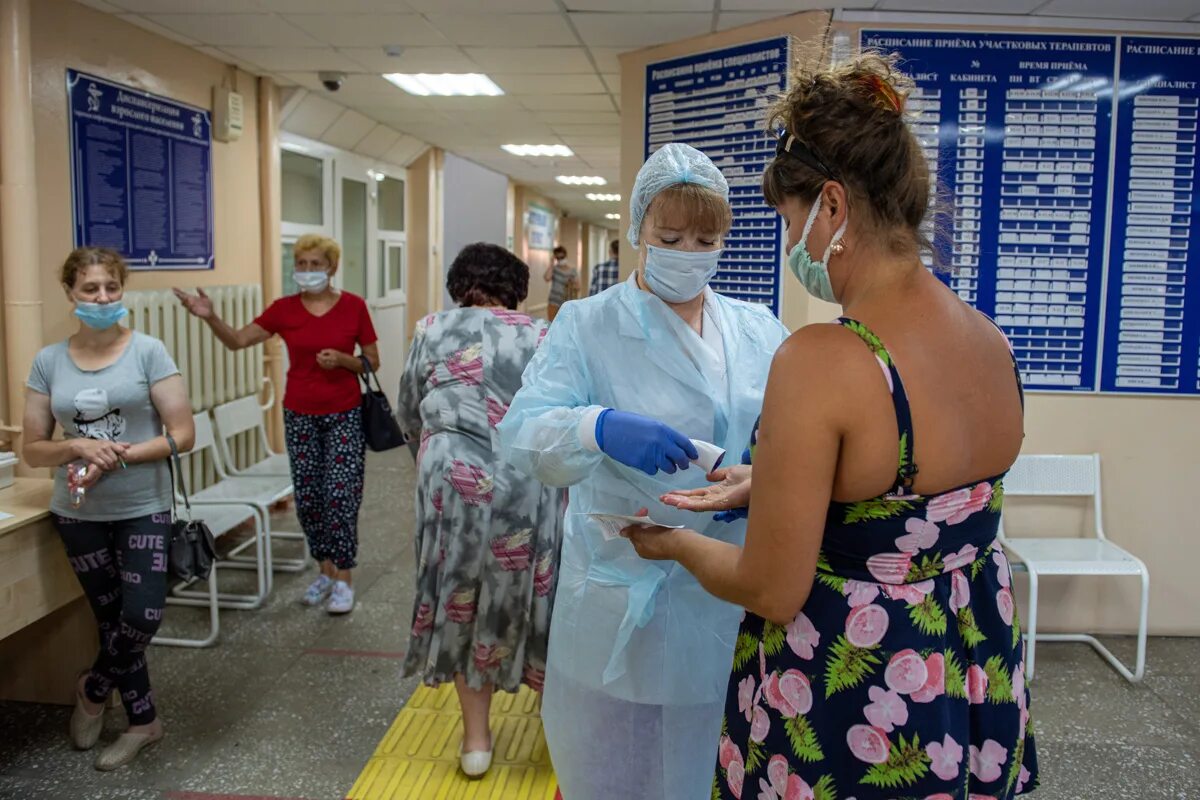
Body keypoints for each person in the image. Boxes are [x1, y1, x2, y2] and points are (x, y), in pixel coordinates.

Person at [623, 53, 1039, 799]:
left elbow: (773, 589)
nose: (792, 245)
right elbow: (908, 508)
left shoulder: (827, 360)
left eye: (791, 219)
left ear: (833, 208)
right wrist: (773, 485)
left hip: (858, 703)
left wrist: (672, 543)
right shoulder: (991, 341)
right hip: (968, 680)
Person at [499, 142, 790, 800]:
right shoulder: (587, 324)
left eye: (706, 237)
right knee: (615, 768)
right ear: (637, 231)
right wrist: (595, 426)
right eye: (670, 235)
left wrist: (761, 480)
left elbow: (787, 433)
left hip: (723, 584)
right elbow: (522, 434)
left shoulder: (757, 330)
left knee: (711, 758)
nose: (688, 251)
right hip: (623, 588)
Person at [22, 247, 195, 771]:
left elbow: (183, 434)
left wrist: (117, 457)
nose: (102, 298)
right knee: (109, 619)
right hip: (76, 511)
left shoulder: (148, 351)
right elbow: (33, 448)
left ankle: (94, 689)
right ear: (70, 294)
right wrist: (76, 447)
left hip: (143, 503)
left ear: (122, 291)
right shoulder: (48, 361)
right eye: (90, 290)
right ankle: (144, 722)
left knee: (141, 614)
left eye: (111, 289)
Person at [396, 243, 564, 778]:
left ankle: (475, 742)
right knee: (536, 594)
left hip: (451, 480)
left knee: (460, 594)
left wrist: (436, 453)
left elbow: (408, 410)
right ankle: (556, 729)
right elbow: (560, 415)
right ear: (517, 288)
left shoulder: (430, 329)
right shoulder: (540, 335)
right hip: (525, 479)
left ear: (457, 285)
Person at [173, 234, 378, 615]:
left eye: (315, 264)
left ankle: (345, 577)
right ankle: (325, 571)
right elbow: (236, 341)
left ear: (332, 268)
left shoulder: (353, 307)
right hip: (300, 414)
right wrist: (210, 316)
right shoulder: (284, 310)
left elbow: (372, 361)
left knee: (341, 495)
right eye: (301, 264)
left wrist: (345, 362)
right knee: (311, 500)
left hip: (344, 413)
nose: (307, 271)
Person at [543, 244, 577, 321]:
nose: (560, 259)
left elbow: (578, 287)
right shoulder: (554, 269)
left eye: (562, 257)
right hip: (553, 302)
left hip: (566, 303)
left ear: (566, 256)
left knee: (565, 324)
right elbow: (547, 278)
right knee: (552, 325)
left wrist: (572, 282)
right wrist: (551, 263)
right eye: (558, 258)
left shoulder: (572, 271)